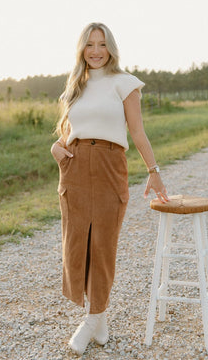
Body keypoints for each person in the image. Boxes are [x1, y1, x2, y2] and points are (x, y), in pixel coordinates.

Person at [51, 22, 168, 355]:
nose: (96, 51)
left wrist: (153, 171)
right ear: (82, 49)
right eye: (90, 44)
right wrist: (55, 150)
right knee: (77, 245)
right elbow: (70, 130)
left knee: (102, 245)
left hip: (108, 165)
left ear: (111, 48)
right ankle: (98, 317)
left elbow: (138, 132)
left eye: (102, 44)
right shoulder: (77, 85)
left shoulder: (125, 83)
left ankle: (90, 321)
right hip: (73, 167)